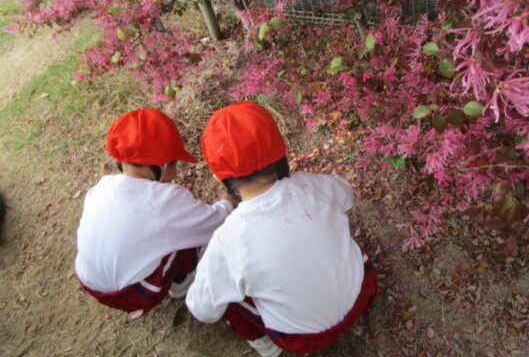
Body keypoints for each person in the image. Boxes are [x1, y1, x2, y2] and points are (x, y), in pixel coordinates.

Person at [186, 102, 377, 356]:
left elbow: (202, 309)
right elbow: (347, 196)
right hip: (363, 290)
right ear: (281, 149)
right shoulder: (313, 186)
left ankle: (263, 345)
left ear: (218, 177)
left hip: (304, 337)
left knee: (228, 299)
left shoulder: (228, 239)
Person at [75, 108, 234, 318]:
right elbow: (217, 223)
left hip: (89, 280)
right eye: (175, 162)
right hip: (132, 293)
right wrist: (229, 200)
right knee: (186, 233)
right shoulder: (163, 200)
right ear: (162, 164)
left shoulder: (102, 187)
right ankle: (181, 281)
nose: (176, 170)